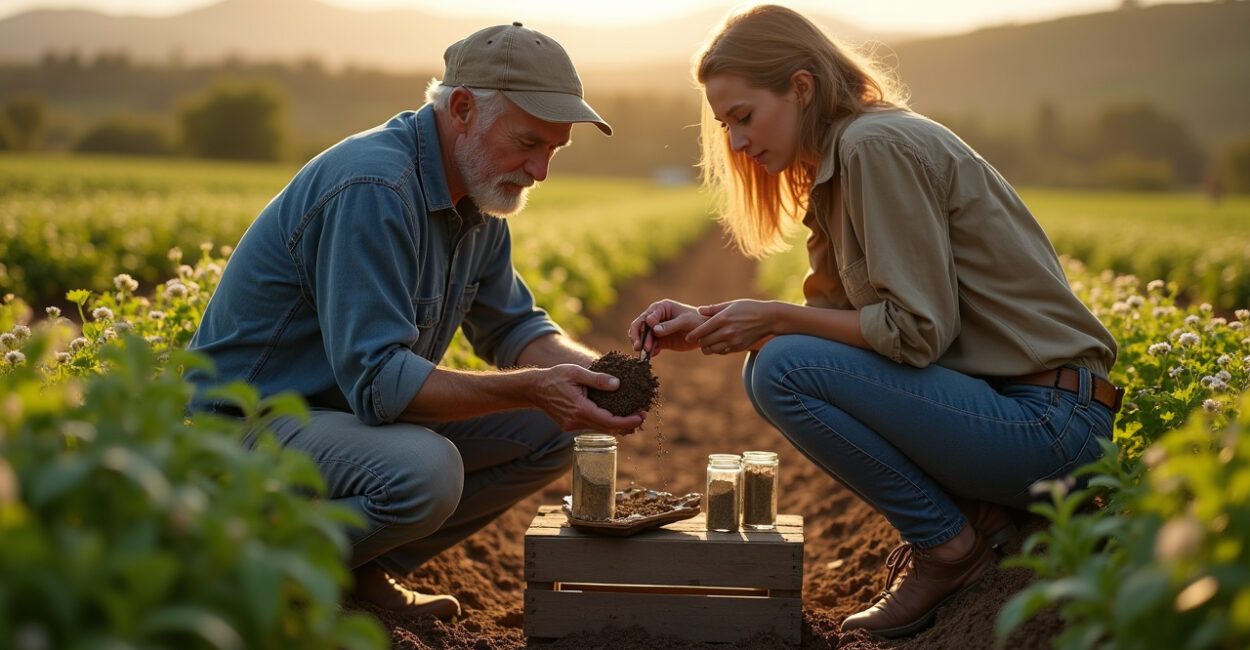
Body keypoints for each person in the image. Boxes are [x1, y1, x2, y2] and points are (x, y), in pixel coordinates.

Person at [629, 5, 1120, 639]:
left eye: (745, 117)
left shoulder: (873, 146)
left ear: (801, 86)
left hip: (1050, 428)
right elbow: (843, 326)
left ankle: (950, 549)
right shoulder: (840, 163)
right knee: (777, 359)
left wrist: (773, 317)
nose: (738, 142)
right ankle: (985, 521)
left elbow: (913, 333)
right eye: (727, 126)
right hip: (1011, 413)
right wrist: (709, 321)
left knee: (780, 365)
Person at [187, 22, 646, 620]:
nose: (540, 171)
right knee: (426, 472)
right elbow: (381, 383)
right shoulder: (375, 187)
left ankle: (354, 572)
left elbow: (515, 329)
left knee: (556, 430)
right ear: (461, 109)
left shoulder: (478, 202)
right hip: (245, 430)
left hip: (338, 425)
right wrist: (534, 388)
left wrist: (605, 376)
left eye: (553, 150)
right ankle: (250, 579)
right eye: (528, 142)